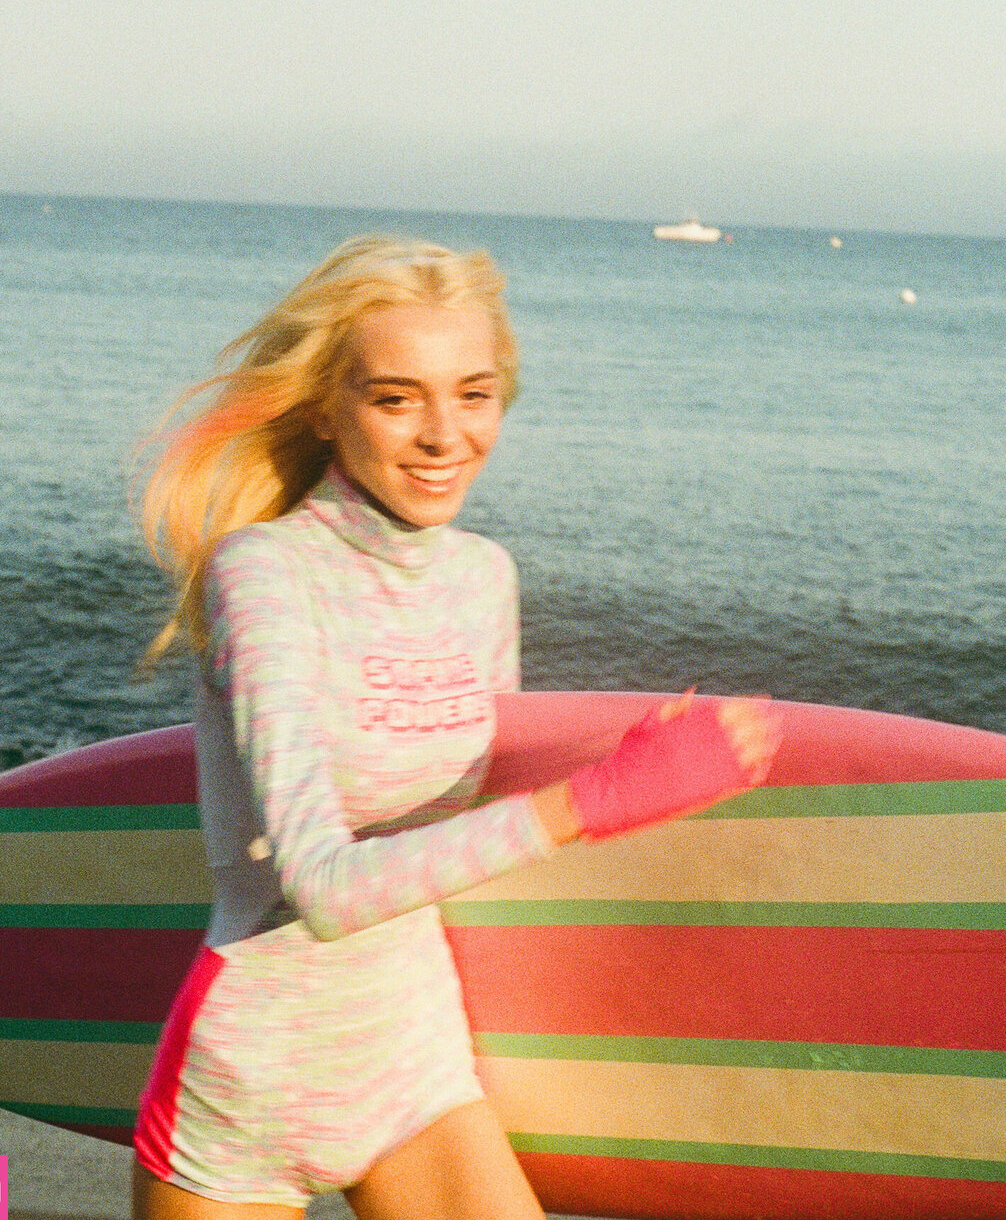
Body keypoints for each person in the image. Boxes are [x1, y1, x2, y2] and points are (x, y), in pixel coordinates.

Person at [131, 236, 779, 1220]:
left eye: (473, 395)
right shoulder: (262, 574)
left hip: (414, 1061)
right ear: (325, 407)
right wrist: (597, 798)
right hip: (256, 1076)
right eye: (396, 398)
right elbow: (325, 887)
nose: (444, 435)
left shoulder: (483, 579)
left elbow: (471, 830)